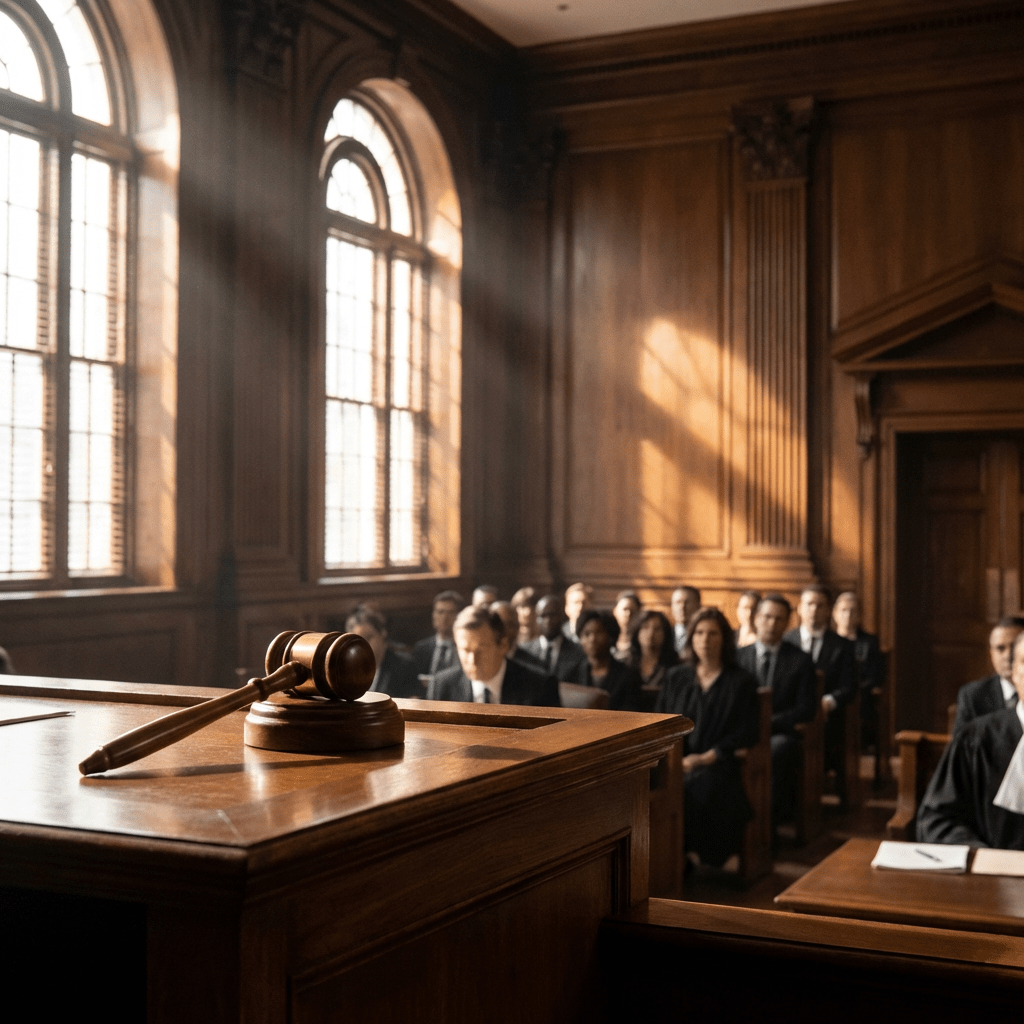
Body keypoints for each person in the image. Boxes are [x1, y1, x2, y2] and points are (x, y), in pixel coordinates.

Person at [656, 607, 759, 868]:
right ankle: (668, 858)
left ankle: (699, 855)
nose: (705, 640)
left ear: (724, 638)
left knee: (702, 786)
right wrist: (674, 758)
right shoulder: (676, 676)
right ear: (691, 637)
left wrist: (703, 759)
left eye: (713, 633)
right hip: (675, 758)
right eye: (699, 633)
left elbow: (745, 731)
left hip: (718, 760)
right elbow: (660, 721)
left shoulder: (741, 681)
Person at [917, 631, 1024, 849]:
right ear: (1014, 673)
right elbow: (936, 821)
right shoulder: (976, 739)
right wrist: (982, 855)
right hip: (994, 876)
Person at [736, 594, 816, 832]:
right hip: (743, 731)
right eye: (767, 617)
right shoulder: (739, 656)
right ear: (757, 619)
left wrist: (768, 724)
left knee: (775, 751)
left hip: (780, 733)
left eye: (779, 619)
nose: (772, 624)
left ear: (788, 623)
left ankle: (765, 826)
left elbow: (806, 708)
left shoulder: (800, 660)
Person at [784, 585, 856, 797]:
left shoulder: (842, 646)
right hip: (790, 713)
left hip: (829, 717)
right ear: (799, 609)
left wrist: (828, 701)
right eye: (809, 604)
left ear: (828, 610)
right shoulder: (787, 640)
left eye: (820, 605)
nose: (814, 610)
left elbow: (849, 687)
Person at [426, 605, 560, 706]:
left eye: (482, 649)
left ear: (503, 646)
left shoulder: (541, 687)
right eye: (465, 650)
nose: (473, 660)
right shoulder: (442, 686)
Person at [952, 617, 1024, 736]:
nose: (1008, 655)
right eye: (1000, 648)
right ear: (991, 653)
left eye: (1015, 647)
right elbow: (963, 747)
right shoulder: (973, 695)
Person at [832, 590, 884, 745]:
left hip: (859, 697)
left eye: (853, 611)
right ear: (834, 614)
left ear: (860, 615)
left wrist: (852, 689)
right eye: (843, 610)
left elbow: (875, 676)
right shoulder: (829, 642)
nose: (847, 616)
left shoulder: (870, 642)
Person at [568, 609, 642, 711]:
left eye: (598, 632)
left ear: (610, 636)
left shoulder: (627, 676)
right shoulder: (571, 674)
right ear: (580, 639)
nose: (592, 639)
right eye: (586, 634)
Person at [345, 604, 423, 699]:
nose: (363, 645)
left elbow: (413, 704)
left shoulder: (405, 666)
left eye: (368, 638)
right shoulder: (347, 669)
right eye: (357, 641)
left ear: (382, 633)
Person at [522, 594, 587, 681]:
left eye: (552, 615)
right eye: (543, 616)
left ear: (561, 616)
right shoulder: (524, 652)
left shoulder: (578, 653)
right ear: (536, 619)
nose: (548, 620)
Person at [411, 590, 465, 677]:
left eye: (451, 613)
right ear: (433, 615)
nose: (444, 618)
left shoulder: (466, 648)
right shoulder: (421, 648)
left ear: (459, 616)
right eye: (440, 612)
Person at [627, 609, 679, 690]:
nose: (651, 633)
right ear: (637, 632)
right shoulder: (626, 663)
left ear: (665, 633)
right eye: (645, 627)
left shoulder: (675, 665)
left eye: (657, 629)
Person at [490, 600, 545, 672]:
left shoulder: (534, 665)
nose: (503, 629)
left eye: (509, 624)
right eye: (497, 624)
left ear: (517, 626)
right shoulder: (483, 660)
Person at [611, 590, 642, 662]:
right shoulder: (607, 639)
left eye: (632, 610)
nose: (628, 614)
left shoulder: (643, 642)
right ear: (615, 611)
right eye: (625, 609)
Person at [670, 586, 701, 653]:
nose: (682, 607)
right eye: (678, 602)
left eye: (687, 602)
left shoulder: (706, 636)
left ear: (698, 606)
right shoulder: (664, 635)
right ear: (672, 606)